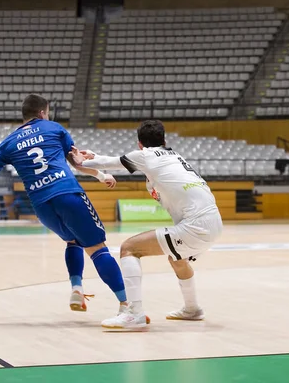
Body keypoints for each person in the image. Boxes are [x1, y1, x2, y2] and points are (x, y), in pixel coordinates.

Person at [0, 94, 133, 322]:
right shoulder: (53, 128)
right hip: (67, 194)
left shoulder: (7, 143)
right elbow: (76, 162)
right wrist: (102, 175)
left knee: (73, 241)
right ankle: (127, 306)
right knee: (97, 248)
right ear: (42, 113)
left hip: (42, 206)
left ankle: (77, 288)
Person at [71, 119, 223, 329]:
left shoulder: (145, 156)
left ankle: (134, 313)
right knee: (177, 258)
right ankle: (192, 309)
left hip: (195, 226)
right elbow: (114, 160)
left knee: (129, 248)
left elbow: (101, 164)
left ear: (139, 144)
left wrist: (78, 159)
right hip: (214, 221)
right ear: (164, 140)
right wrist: (95, 155)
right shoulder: (174, 156)